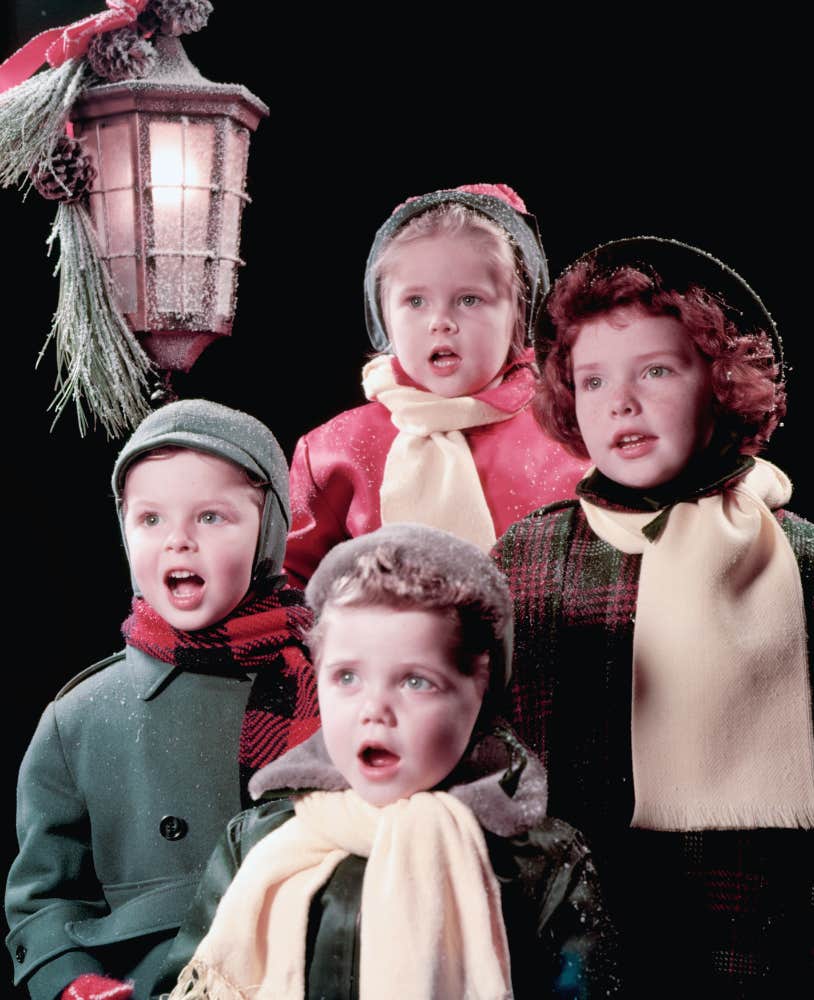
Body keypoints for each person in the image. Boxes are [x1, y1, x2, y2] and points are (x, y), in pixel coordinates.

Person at [492, 237, 814, 998]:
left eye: (655, 370)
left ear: (721, 383)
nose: (619, 402)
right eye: (591, 381)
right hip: (568, 942)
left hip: (752, 948)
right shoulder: (525, 560)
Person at [159, 524, 619, 999]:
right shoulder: (259, 839)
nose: (373, 710)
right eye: (347, 677)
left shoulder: (538, 860)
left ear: (479, 688)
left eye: (415, 681)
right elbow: (186, 979)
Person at [5, 400, 320, 1000]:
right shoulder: (81, 719)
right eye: (150, 519)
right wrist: (73, 984)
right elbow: (44, 898)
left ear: (268, 531)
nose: (178, 541)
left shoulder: (335, 681)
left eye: (211, 517)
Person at [284, 183, 588, 586]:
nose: (440, 321)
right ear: (384, 315)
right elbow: (290, 580)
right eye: (415, 301)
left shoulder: (570, 432)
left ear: (519, 313)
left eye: (469, 299)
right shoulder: (332, 450)